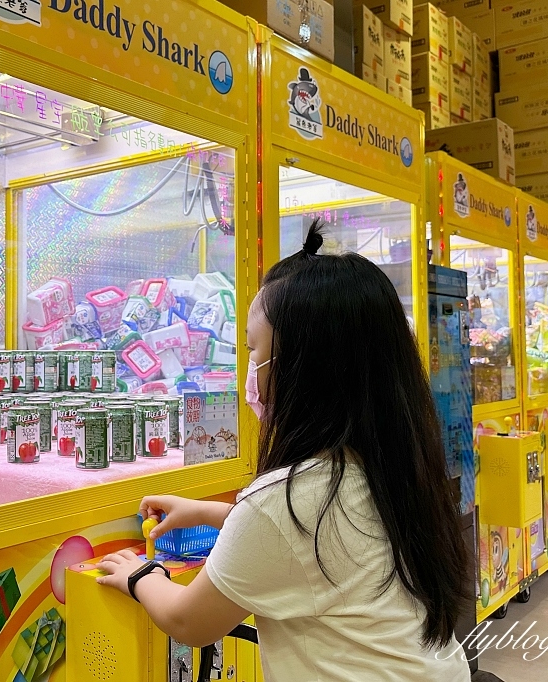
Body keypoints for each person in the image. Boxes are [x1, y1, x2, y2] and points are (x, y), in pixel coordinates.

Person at [96, 221, 471, 681]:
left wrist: (141, 576)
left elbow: (189, 621)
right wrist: (212, 512)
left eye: (254, 352)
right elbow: (329, 542)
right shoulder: (391, 461)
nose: (250, 372)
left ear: (305, 365)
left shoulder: (290, 500)